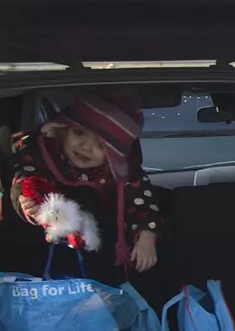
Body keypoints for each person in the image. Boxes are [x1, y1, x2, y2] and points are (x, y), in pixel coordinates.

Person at [2, 92, 162, 286]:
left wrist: (146, 237)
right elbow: (27, 183)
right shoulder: (42, 159)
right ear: (64, 131)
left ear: (115, 156)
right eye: (79, 133)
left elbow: (142, 202)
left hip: (102, 251)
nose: (85, 147)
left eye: (101, 146)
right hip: (47, 251)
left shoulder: (121, 176)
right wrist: (34, 208)